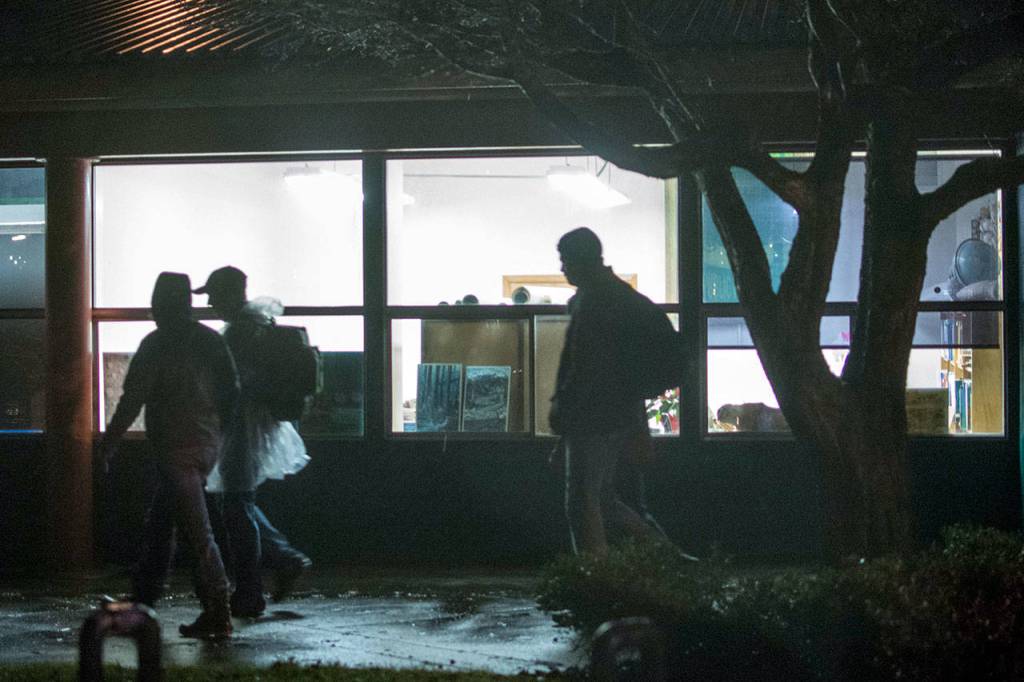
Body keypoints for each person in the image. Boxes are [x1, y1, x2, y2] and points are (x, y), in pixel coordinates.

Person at [101, 272, 239, 639]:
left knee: (198, 533)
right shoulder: (209, 341)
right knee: (166, 521)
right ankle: (150, 598)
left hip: (175, 449)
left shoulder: (156, 345)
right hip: (206, 444)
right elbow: (231, 392)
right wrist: (220, 435)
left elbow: (132, 400)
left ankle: (218, 609)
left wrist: (109, 442)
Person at [550, 227, 677, 558]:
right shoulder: (617, 296)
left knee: (581, 500)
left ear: (581, 259)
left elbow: (583, 367)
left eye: (565, 260)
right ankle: (663, 554)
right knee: (603, 498)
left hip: (593, 416)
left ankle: (597, 576)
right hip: (619, 413)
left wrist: (564, 414)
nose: (562, 269)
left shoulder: (594, 303)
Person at [194, 265, 312, 617]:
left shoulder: (240, 332)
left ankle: (251, 589)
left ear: (232, 293)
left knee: (236, 507)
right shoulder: (258, 324)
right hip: (252, 427)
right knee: (237, 503)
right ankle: (280, 560)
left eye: (214, 295)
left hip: (242, 429)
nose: (211, 303)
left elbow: (229, 384)